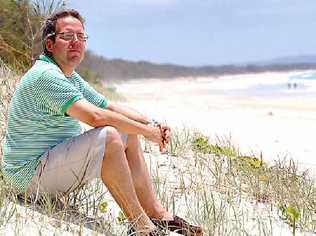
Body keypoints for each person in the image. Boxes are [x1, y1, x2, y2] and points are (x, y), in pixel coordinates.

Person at [1, 9, 202, 236]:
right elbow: (95, 117)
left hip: (48, 166)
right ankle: (142, 228)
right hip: (28, 178)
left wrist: (152, 124)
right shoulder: (46, 76)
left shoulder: (68, 75)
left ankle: (156, 213)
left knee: (125, 132)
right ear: (50, 44)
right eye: (67, 36)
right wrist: (148, 132)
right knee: (109, 135)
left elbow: (109, 107)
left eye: (81, 36)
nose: (76, 42)